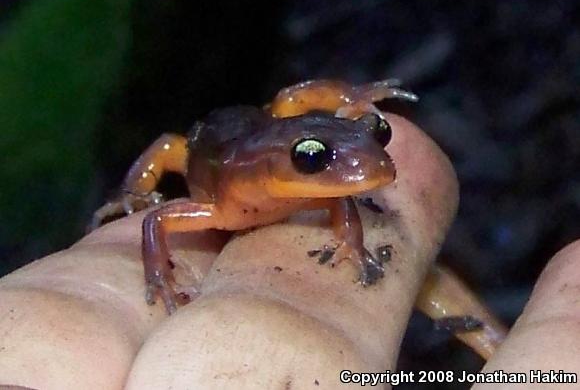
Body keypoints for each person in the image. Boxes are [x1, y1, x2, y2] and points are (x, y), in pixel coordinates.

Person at [0, 114, 577, 390]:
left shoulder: (331, 187)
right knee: (174, 147)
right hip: (220, 146)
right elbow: (159, 226)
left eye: (376, 137)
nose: (367, 166)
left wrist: (351, 240)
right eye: (311, 158)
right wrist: (158, 270)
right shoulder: (214, 206)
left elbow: (340, 197)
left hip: (256, 143)